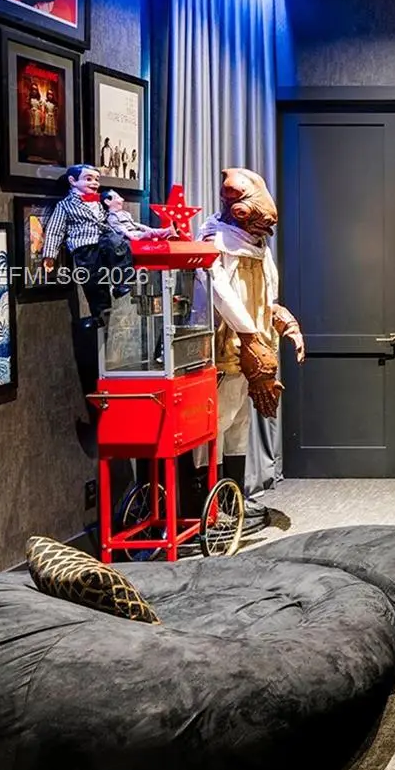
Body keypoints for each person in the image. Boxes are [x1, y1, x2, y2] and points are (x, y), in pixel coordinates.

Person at [200, 168, 305, 526]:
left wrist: (284, 322)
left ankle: (235, 497)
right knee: (219, 420)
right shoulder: (217, 243)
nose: (263, 232)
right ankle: (211, 503)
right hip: (227, 347)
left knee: (240, 423)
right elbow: (220, 295)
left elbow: (267, 295)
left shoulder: (257, 247)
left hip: (255, 344)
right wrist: (248, 336)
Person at [41, 164, 133, 319]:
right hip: (84, 245)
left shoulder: (97, 201)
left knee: (118, 246)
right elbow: (55, 230)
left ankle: (121, 283)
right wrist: (50, 255)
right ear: (73, 181)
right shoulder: (65, 205)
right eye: (88, 179)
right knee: (93, 280)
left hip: (103, 238)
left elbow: (107, 218)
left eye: (96, 179)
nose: (94, 183)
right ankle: (100, 313)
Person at [103, 190, 174, 242]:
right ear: (107, 201)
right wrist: (130, 236)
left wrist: (147, 228)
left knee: (151, 231)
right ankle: (169, 231)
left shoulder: (124, 213)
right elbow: (120, 229)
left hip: (136, 232)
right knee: (149, 233)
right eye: (118, 198)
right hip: (131, 236)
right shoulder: (112, 217)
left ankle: (168, 233)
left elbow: (133, 224)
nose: (122, 199)